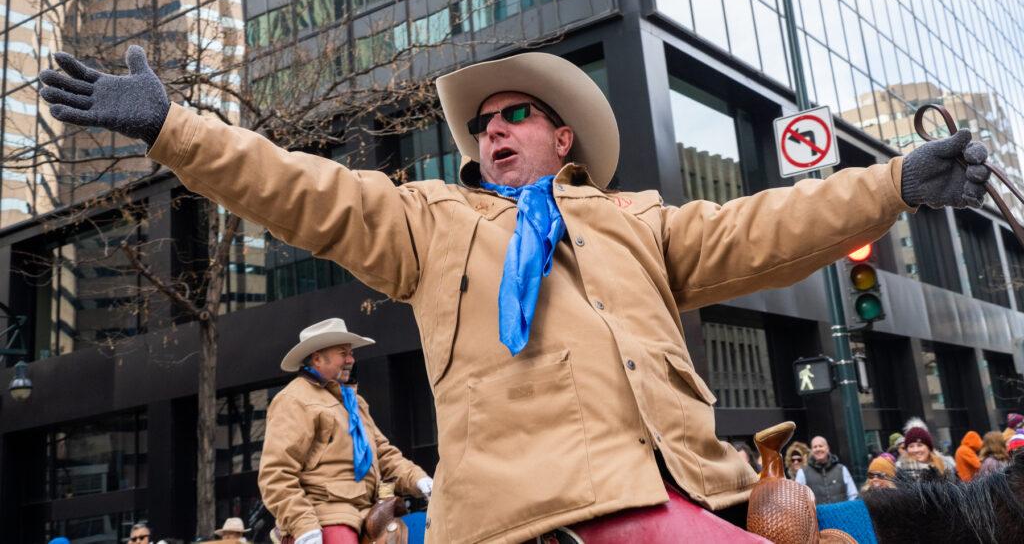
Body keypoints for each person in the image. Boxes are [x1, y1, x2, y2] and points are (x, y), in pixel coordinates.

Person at [37, 48, 991, 543]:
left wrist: (897, 180)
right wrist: (174, 127)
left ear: (562, 138)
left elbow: (769, 226)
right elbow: (298, 187)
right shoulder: (431, 221)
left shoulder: (638, 223)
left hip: (702, 487)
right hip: (543, 508)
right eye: (482, 122)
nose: (492, 129)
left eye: (514, 115)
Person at [259, 318, 433, 544]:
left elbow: (383, 454)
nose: (351, 359)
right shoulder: (293, 400)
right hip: (326, 514)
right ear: (317, 357)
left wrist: (420, 480)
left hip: (369, 512)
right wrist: (305, 527)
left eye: (351, 353)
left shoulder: (354, 402)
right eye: (343, 353)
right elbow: (276, 475)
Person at [794, 436, 858, 503]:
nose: (818, 449)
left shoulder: (842, 469)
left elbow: (853, 496)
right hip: (817, 513)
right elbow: (797, 499)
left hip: (841, 513)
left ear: (827, 448)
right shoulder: (802, 472)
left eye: (821, 446)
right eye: (815, 447)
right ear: (812, 451)